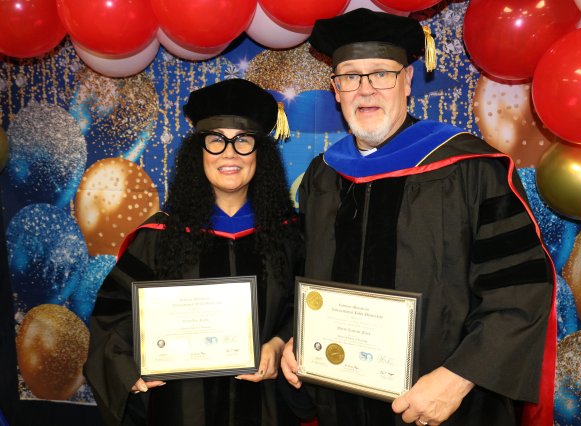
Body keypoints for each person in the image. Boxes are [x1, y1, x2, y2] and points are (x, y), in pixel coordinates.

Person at [281, 8, 556, 426]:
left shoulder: (469, 168)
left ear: (407, 81)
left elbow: (519, 289)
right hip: (342, 403)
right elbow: (307, 275)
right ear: (336, 90)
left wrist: (459, 378)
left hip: (446, 407)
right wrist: (298, 335)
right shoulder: (323, 176)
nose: (365, 90)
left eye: (381, 74)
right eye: (350, 77)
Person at [84, 79, 308, 426]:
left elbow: (308, 308)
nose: (229, 153)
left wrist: (279, 342)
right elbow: (115, 314)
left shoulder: (289, 235)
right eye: (216, 140)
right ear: (198, 152)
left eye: (243, 140)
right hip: (181, 409)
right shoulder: (160, 237)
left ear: (260, 153)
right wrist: (125, 367)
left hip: (266, 409)